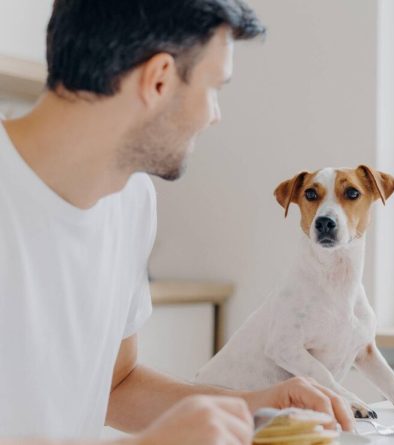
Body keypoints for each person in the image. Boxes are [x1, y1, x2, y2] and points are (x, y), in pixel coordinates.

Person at [0, 1, 353, 443]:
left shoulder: (132, 199)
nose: (214, 115)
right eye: (214, 88)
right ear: (159, 79)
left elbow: (115, 384)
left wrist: (251, 407)